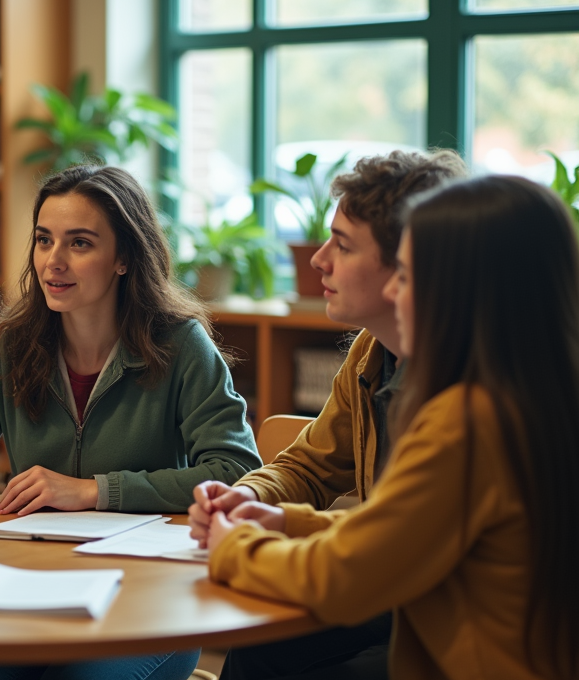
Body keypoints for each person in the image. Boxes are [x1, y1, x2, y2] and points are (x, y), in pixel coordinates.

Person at [0, 164, 260, 680]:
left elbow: (235, 470)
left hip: (150, 603)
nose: (53, 262)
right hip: (33, 586)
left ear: (124, 257)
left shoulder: (180, 344)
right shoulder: (14, 344)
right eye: (43, 240)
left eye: (79, 243)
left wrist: (94, 491)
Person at [205, 174, 579, 680]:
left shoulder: (467, 419)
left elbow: (347, 574)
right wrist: (288, 521)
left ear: (461, 289)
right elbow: (403, 525)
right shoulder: (530, 391)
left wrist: (235, 548)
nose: (395, 292)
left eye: (406, 274)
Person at [188, 149, 468, 679]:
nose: (316, 260)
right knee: (257, 650)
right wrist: (250, 497)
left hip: (444, 613)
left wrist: (241, 546)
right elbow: (312, 466)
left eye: (341, 244)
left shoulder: (463, 392)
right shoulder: (371, 351)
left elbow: (379, 552)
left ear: (404, 264)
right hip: (395, 583)